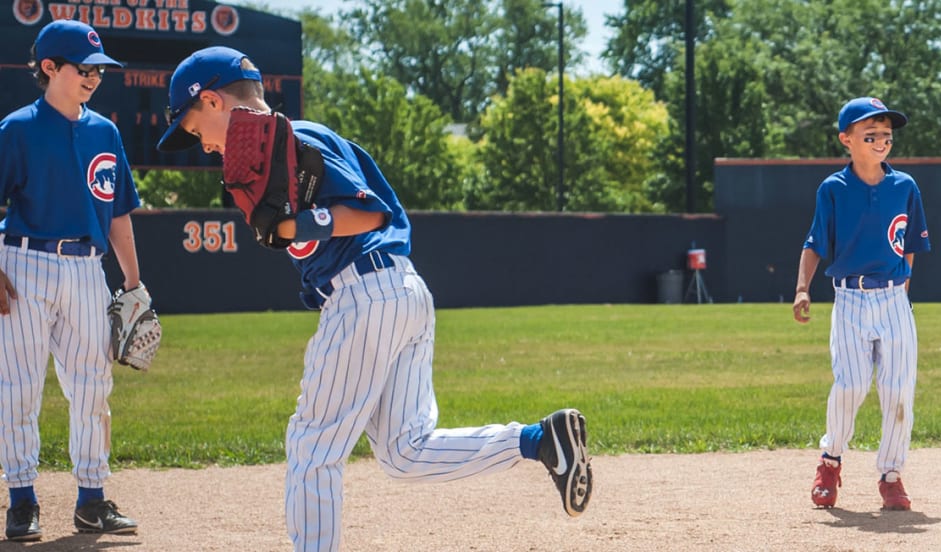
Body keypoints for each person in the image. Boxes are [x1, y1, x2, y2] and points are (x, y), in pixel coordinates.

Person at [158, 47, 592, 551]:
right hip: (396, 292)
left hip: (364, 292)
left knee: (312, 445)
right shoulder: (280, 148)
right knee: (405, 452)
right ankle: (540, 441)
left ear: (211, 100)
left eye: (195, 130)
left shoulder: (295, 138)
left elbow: (369, 213)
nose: (205, 147)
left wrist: (296, 224)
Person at [0, 20, 143, 540]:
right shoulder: (16, 129)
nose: (94, 78)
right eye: (84, 69)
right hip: (23, 264)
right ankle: (21, 500)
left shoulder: (105, 131)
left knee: (92, 387)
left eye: (99, 70)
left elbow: (120, 211)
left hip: (87, 268)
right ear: (49, 68)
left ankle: (91, 500)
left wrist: (133, 281)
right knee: (18, 387)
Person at [792, 97, 930, 511]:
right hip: (849, 298)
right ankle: (830, 459)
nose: (881, 142)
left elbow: (910, 244)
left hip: (893, 300)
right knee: (850, 385)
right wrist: (802, 288)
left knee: (898, 390)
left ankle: (891, 475)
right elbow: (815, 242)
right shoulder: (834, 189)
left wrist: (903, 286)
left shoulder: (904, 186)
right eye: (870, 135)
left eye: (886, 135)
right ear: (846, 140)